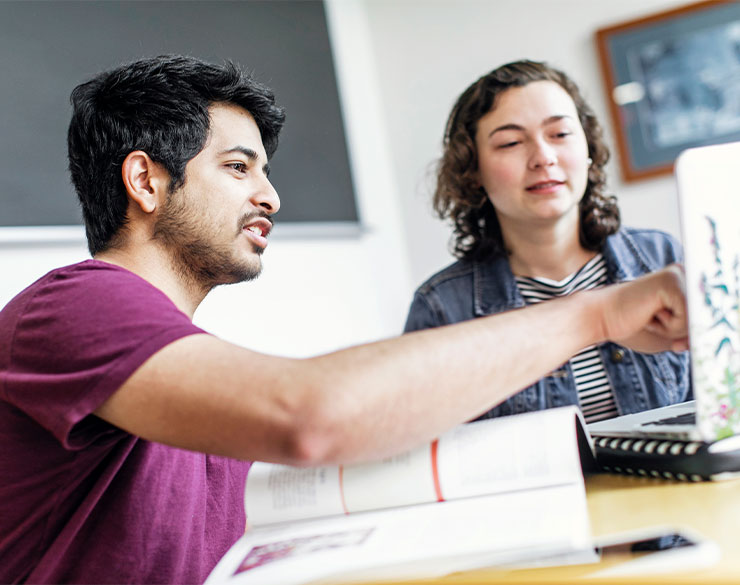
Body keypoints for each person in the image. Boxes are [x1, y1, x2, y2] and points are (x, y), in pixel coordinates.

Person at [0, 55, 688, 585]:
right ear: (146, 181)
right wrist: (596, 313)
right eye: (238, 167)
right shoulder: (72, 305)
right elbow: (309, 414)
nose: (269, 194)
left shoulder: (183, 375)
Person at [405, 60, 691, 424]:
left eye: (560, 134)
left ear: (587, 149)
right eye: (510, 142)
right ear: (473, 171)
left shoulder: (663, 259)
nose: (543, 157)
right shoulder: (441, 308)